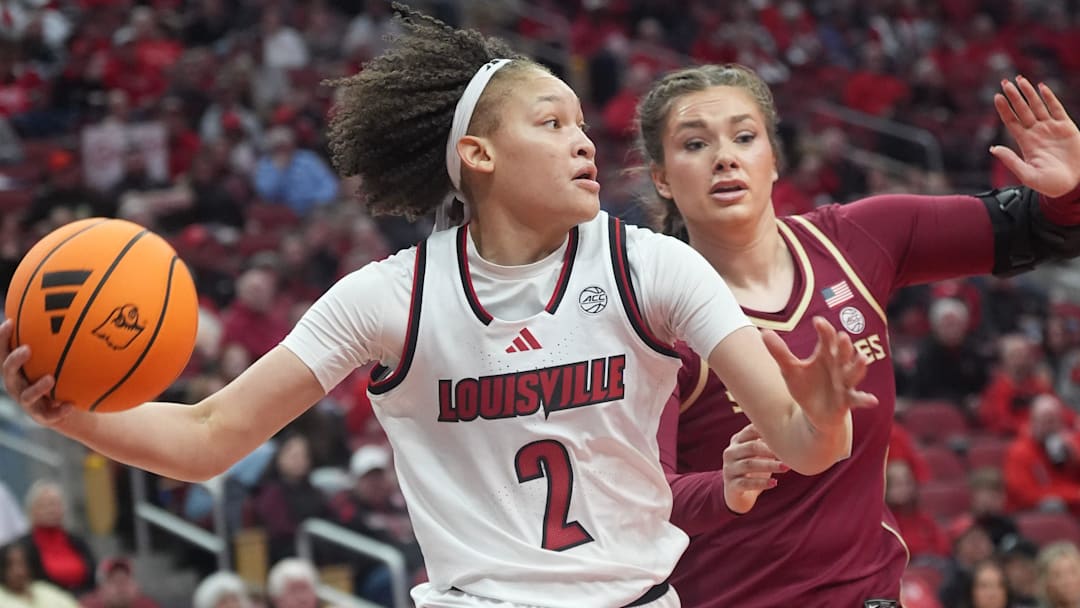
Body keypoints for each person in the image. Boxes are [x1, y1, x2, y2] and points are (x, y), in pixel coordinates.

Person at [0, 8, 873, 608]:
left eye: (581, 125)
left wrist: (826, 420)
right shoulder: (390, 299)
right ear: (478, 154)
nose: (581, 141)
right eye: (550, 122)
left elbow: (801, 442)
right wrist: (68, 415)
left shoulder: (656, 269)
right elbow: (206, 440)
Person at [635, 63, 1080, 606]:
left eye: (745, 137)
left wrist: (1070, 190)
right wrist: (726, 486)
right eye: (695, 143)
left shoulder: (857, 240)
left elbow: (1035, 228)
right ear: (661, 176)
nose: (725, 157)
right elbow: (641, 497)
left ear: (774, 159)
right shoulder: (648, 315)